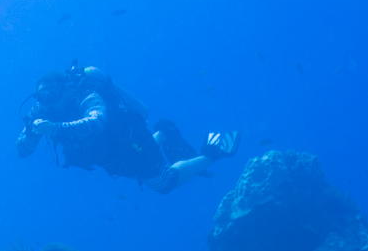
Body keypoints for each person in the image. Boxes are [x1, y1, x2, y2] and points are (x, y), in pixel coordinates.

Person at [15, 63, 238, 194]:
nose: (47, 100)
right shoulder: (41, 112)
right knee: (150, 178)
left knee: (163, 184)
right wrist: (31, 136)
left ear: (64, 90)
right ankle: (163, 132)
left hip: (131, 140)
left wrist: (54, 129)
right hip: (109, 158)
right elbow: (21, 151)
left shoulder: (85, 96)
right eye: (41, 95)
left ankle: (213, 151)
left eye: (52, 93)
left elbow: (97, 121)